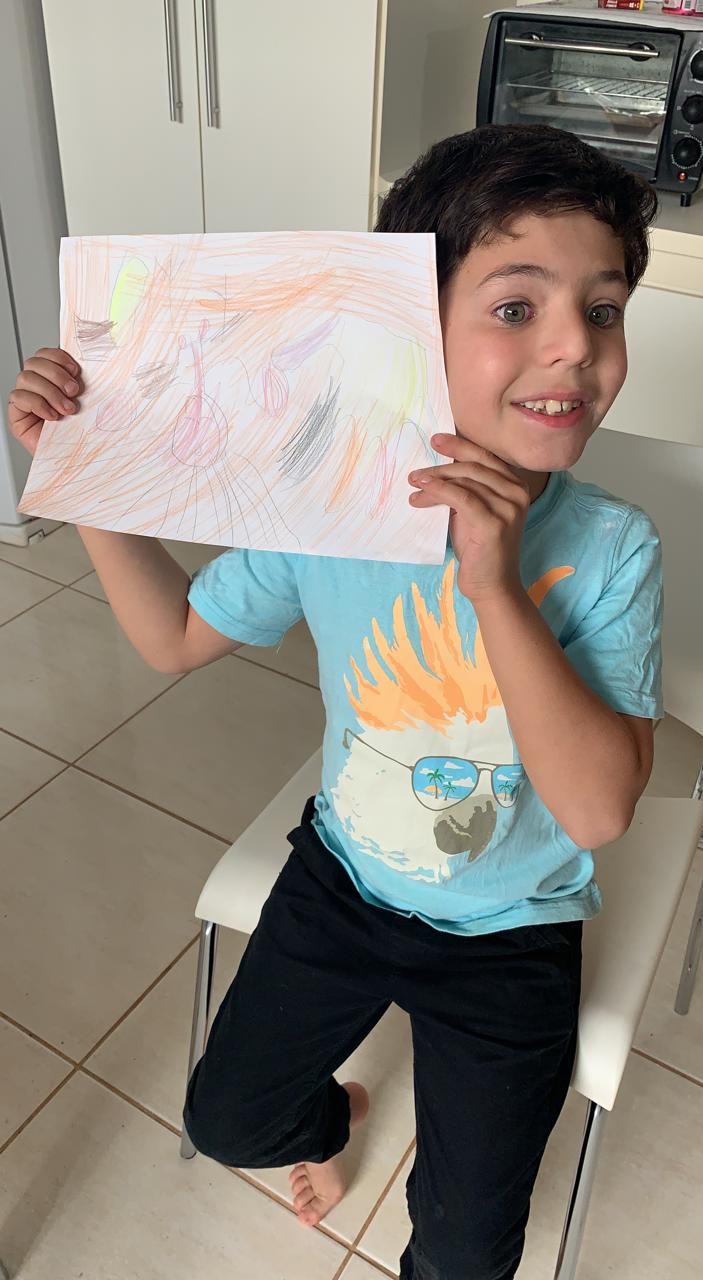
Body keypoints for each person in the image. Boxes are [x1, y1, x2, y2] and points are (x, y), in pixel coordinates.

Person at [7, 124, 663, 1280]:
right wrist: (84, 470)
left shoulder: (614, 547)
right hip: (344, 880)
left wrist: (495, 582)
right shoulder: (331, 506)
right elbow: (171, 636)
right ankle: (338, 1114)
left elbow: (599, 808)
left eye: (602, 309)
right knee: (230, 1121)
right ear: (407, 325)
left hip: (512, 933)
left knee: (464, 1253)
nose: (574, 346)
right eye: (517, 307)